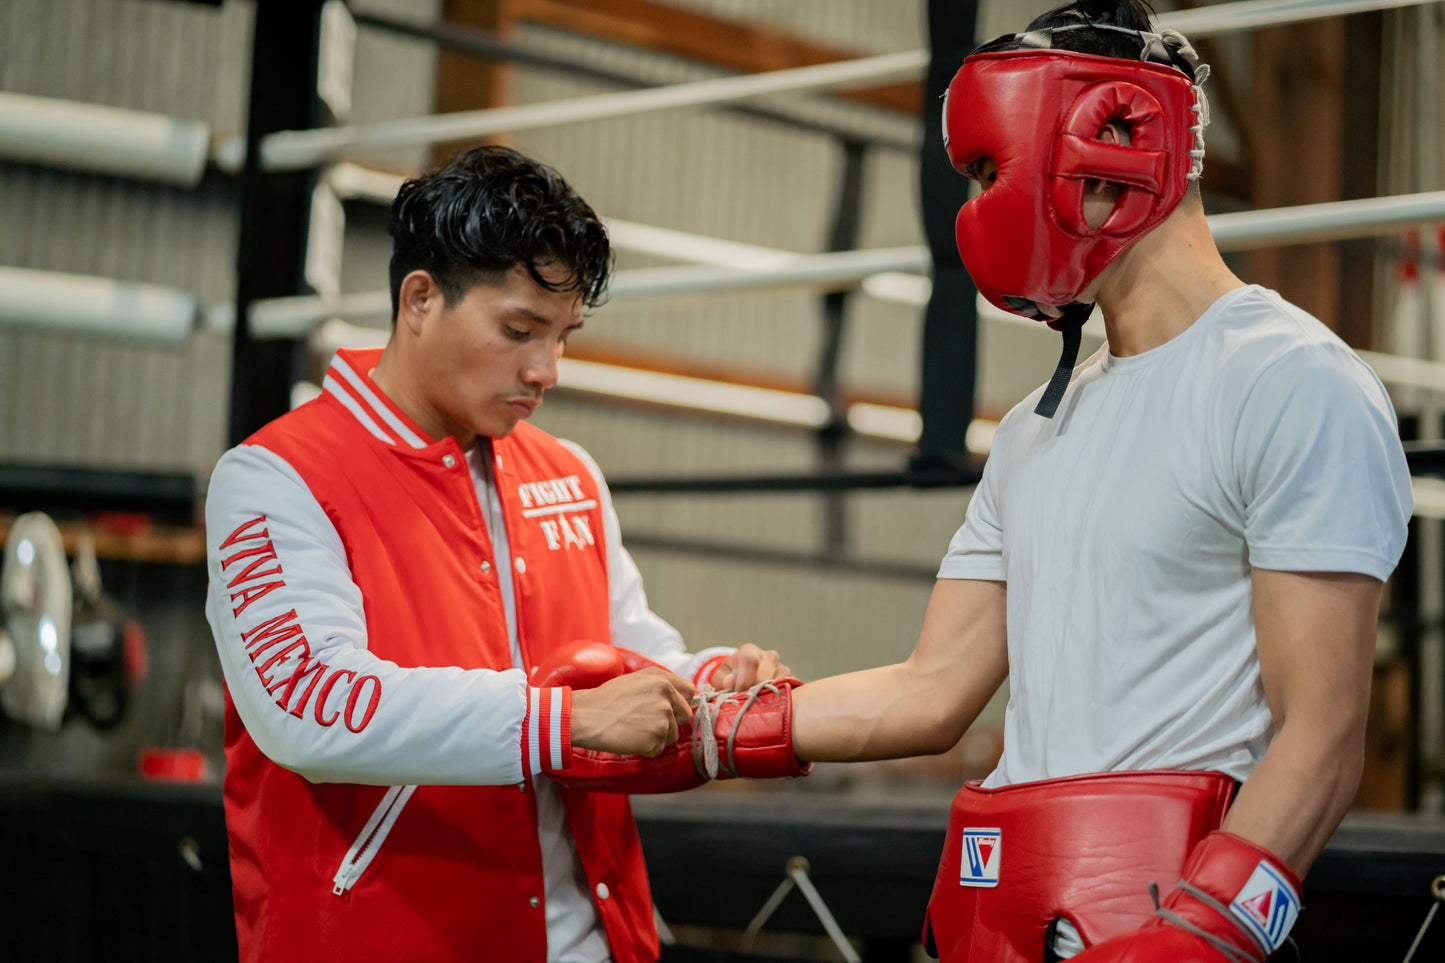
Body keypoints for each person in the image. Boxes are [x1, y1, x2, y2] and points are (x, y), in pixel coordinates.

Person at [786, 2, 1414, 960]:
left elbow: (1321, 737)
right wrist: (708, 722)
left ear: (1118, 136)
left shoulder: (1290, 382)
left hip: (1171, 914)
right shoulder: (1036, 427)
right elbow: (929, 689)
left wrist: (1200, 937)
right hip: (1013, 912)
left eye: (993, 169)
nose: (979, 204)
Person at [203, 145, 792, 963]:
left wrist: (711, 676)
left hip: (593, 937)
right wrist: (563, 721)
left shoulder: (569, 474)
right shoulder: (276, 477)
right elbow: (307, 702)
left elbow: (632, 653)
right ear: (419, 299)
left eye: (562, 335)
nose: (546, 368)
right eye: (518, 330)